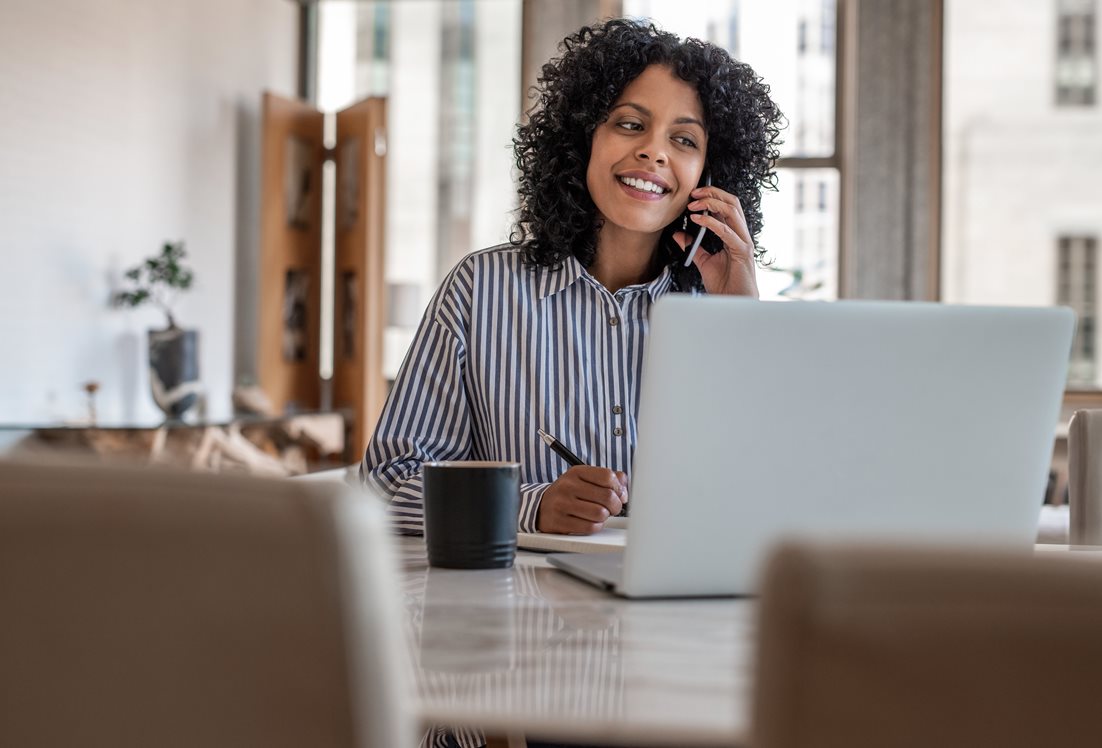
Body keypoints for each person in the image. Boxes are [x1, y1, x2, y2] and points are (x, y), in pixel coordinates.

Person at [363, 17, 783, 538]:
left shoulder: (717, 306)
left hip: (683, 609)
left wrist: (742, 321)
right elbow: (385, 484)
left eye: (684, 139)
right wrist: (529, 508)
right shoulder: (479, 290)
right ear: (581, 140)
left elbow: (772, 491)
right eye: (630, 124)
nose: (655, 151)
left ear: (709, 174)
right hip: (520, 610)